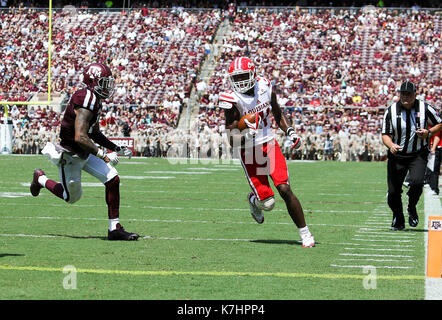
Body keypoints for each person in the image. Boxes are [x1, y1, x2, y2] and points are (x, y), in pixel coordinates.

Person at [30, 62, 139, 240]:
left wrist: (116, 148)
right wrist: (103, 155)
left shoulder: (94, 100)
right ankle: (40, 179)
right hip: (71, 153)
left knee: (112, 178)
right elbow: (80, 137)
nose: (107, 87)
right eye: (104, 83)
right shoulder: (86, 98)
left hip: (85, 151)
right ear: (93, 81)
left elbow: (93, 133)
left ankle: (115, 228)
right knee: (71, 197)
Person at [218, 57, 315, 247]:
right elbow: (231, 138)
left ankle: (305, 233)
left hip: (268, 143)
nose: (240, 82)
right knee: (268, 204)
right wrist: (245, 133)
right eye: (236, 78)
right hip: (248, 151)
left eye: (244, 76)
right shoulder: (231, 99)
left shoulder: (265, 86)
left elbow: (277, 113)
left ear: (253, 73)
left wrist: (290, 132)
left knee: (285, 189)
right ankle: (254, 200)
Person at [381, 81, 442, 230]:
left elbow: (440, 123)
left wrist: (428, 133)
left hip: (417, 155)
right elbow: (385, 135)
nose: (406, 97)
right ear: (399, 94)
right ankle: (398, 218)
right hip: (397, 156)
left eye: (409, 94)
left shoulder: (425, 108)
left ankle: (412, 206)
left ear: (415, 94)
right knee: (393, 191)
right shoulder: (391, 111)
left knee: (416, 183)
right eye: (403, 94)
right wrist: (391, 145)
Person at [427, 129, 442, 195]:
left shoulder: (437, 123)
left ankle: (434, 189)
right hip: (437, 147)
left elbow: (437, 135)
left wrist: (433, 147)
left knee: (434, 169)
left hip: (438, 148)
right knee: (434, 169)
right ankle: (433, 187)